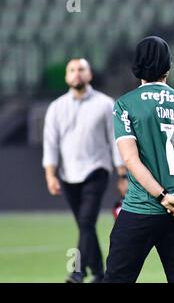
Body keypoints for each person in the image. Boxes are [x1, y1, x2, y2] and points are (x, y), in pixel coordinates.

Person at [103, 36, 174, 283]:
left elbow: (131, 160)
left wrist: (163, 197)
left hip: (140, 209)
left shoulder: (125, 105)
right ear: (169, 67)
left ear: (136, 67)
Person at [42, 58, 128, 283]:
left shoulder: (105, 104)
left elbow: (115, 140)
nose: (77, 73)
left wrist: (122, 174)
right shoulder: (56, 107)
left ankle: (77, 271)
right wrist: (50, 174)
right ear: (66, 76)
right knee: (84, 224)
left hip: (96, 170)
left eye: (81, 69)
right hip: (68, 174)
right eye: (72, 70)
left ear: (90, 75)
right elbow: (50, 144)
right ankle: (99, 273)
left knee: (86, 221)